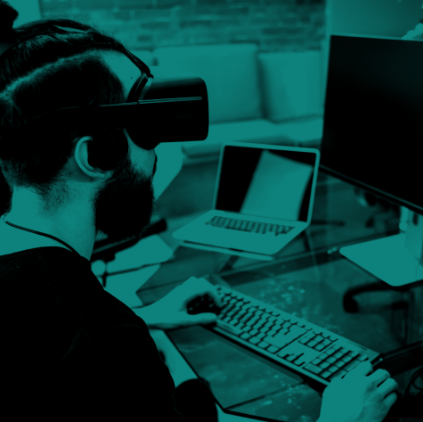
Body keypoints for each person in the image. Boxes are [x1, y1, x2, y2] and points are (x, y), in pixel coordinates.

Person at [0, 2, 399, 421]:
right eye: (144, 123)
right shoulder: (106, 341)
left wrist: (144, 318)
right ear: (95, 155)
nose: (157, 152)